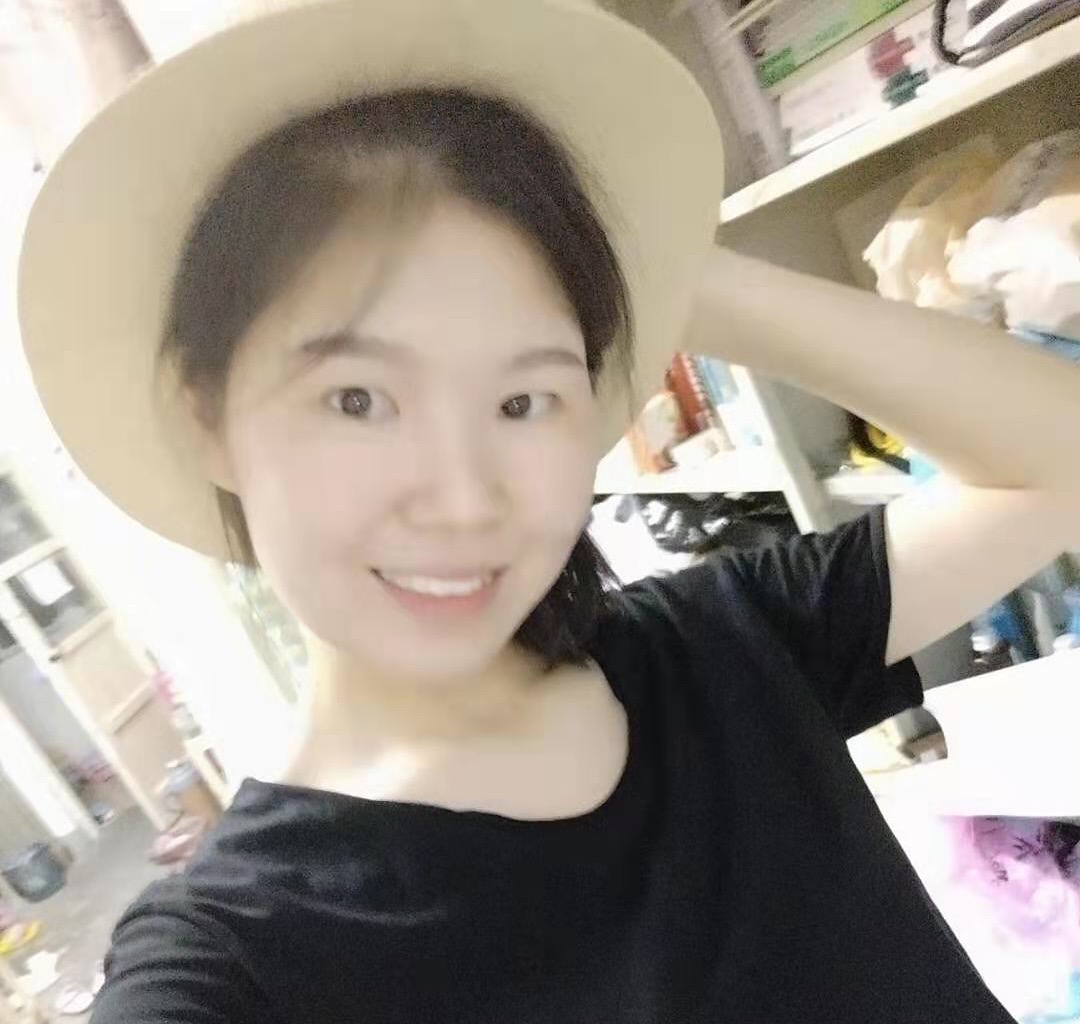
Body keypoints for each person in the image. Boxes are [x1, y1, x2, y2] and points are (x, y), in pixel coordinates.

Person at [16, 1, 1078, 1022]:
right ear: (207, 416)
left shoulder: (724, 646)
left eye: (523, 400)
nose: (463, 498)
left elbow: (1055, 458)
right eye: (358, 399)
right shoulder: (236, 958)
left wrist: (668, 273)